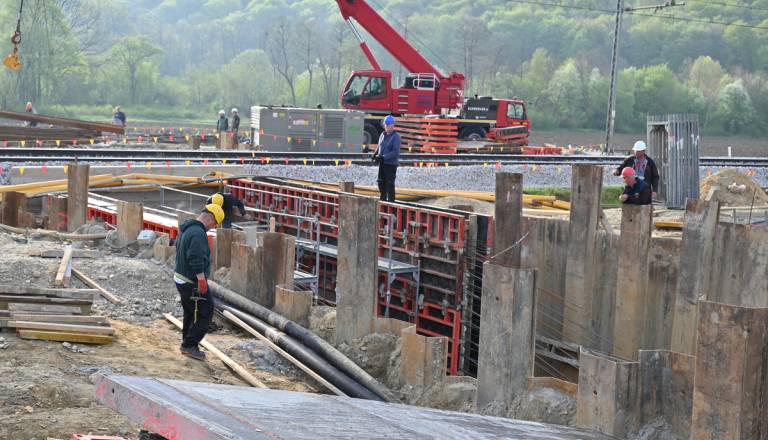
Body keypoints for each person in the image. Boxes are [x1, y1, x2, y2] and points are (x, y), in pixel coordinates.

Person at [173, 204, 224, 360]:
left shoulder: (187, 228)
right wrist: (201, 280)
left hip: (181, 278)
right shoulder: (198, 233)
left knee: (190, 312)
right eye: (214, 224)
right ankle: (189, 345)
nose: (213, 227)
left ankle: (187, 343)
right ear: (210, 218)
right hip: (191, 280)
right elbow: (195, 258)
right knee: (206, 312)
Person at [372, 115, 401, 202]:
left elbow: (395, 152)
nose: (387, 126)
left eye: (388, 124)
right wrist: (375, 154)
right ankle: (383, 199)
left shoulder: (396, 137)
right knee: (381, 182)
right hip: (382, 164)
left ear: (393, 125)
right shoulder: (382, 135)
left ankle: (391, 202)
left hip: (391, 165)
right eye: (385, 124)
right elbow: (379, 146)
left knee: (389, 184)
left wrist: (383, 158)